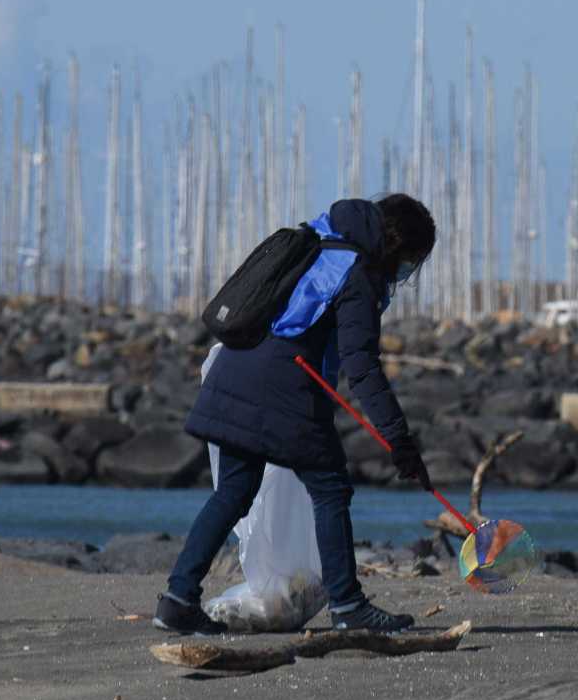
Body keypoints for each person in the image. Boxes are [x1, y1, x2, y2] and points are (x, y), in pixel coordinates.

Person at [154, 194, 437, 636]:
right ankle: (347, 604)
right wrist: (398, 439)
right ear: (398, 246)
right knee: (330, 487)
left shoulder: (317, 243)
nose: (407, 274)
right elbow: (361, 366)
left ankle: (176, 600)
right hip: (282, 388)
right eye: (412, 262)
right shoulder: (358, 272)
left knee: (233, 491)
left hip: (233, 369)